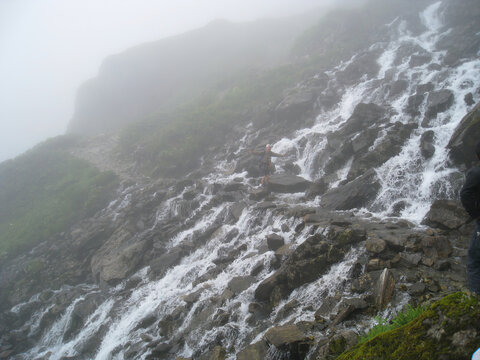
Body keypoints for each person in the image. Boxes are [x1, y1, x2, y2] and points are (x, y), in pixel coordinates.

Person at [460, 141, 480, 295]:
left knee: (474, 261)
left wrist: (475, 214)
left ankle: (476, 299)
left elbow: (465, 194)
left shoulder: (476, 172)